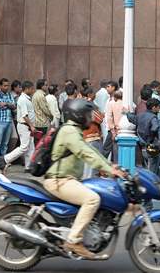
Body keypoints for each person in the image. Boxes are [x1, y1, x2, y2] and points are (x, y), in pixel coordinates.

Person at [43, 99, 129, 260]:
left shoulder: (73, 130)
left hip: (68, 179)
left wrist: (110, 166)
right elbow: (85, 153)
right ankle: (74, 241)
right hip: (59, 180)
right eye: (87, 115)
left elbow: (92, 152)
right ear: (78, 115)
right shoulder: (69, 131)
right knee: (92, 199)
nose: (90, 118)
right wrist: (109, 170)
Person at [0, 81, 36, 171]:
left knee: (31, 147)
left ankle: (29, 167)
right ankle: (5, 159)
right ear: (27, 89)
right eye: (32, 89)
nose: (33, 90)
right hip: (24, 126)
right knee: (24, 147)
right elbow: (24, 115)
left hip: (27, 126)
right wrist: (31, 126)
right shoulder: (23, 99)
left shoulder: (26, 98)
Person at [137, 98, 160, 186]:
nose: (159, 109)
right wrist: (156, 140)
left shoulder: (140, 115)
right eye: (158, 107)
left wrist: (127, 113)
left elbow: (132, 118)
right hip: (151, 148)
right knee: (152, 172)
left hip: (143, 146)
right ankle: (154, 189)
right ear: (154, 107)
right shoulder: (153, 118)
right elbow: (155, 128)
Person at [0, 78, 16, 159]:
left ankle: (2, 160)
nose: (7, 87)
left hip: (9, 122)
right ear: (0, 86)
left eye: (7, 86)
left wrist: (6, 104)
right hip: (0, 122)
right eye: (5, 86)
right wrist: (8, 104)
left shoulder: (10, 95)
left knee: (5, 143)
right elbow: (1, 105)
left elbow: (14, 106)